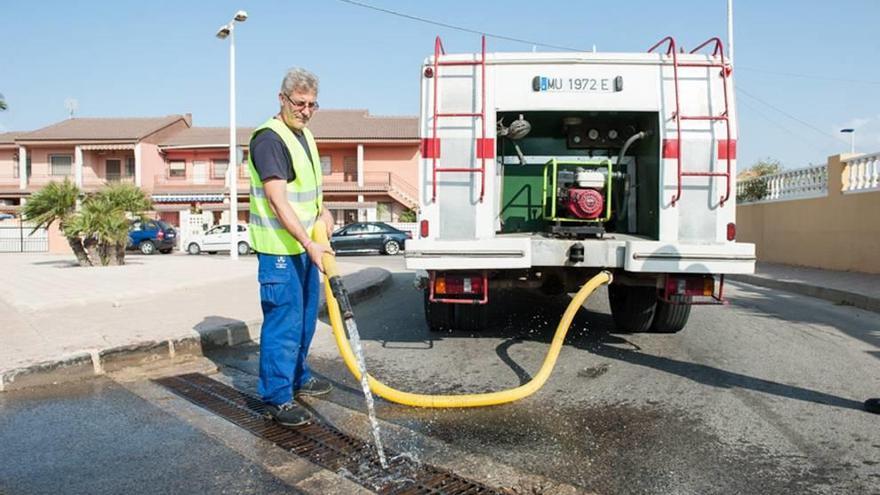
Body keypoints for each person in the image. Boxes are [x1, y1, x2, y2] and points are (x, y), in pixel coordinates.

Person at [247, 67, 335, 427]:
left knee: (303, 321)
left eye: (312, 104)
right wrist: (307, 242)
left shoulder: (305, 136)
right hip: (280, 249)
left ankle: (298, 376)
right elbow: (278, 201)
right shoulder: (270, 139)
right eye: (299, 103)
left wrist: (325, 214)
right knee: (283, 322)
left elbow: (310, 195)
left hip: (305, 247)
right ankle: (276, 397)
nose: (306, 110)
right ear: (282, 99)